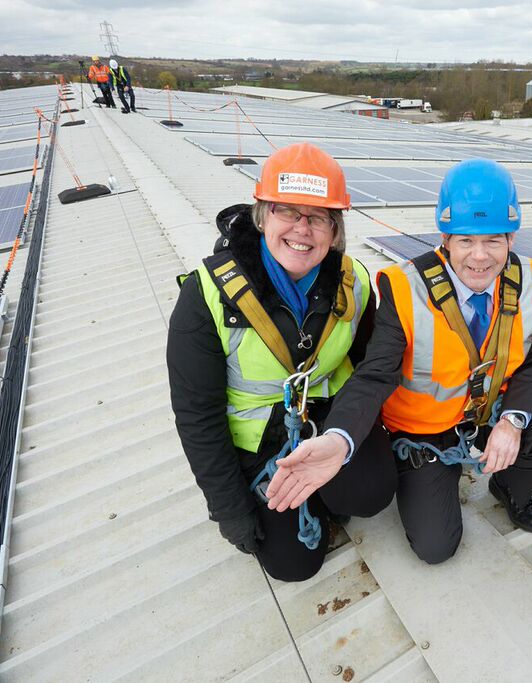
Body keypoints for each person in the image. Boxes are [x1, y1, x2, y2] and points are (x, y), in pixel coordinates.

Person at [265, 158, 532, 564]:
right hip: (427, 434)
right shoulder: (406, 290)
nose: (479, 257)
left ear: (511, 239)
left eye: (493, 240)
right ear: (445, 238)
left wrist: (513, 422)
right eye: (465, 240)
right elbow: (374, 375)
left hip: (489, 415)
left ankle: (509, 489)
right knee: (436, 547)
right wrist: (340, 439)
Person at [167, 143, 396, 581]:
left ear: (335, 230)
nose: (302, 229)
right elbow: (197, 417)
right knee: (294, 567)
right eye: (287, 212)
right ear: (262, 216)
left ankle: (326, 489)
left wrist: (346, 439)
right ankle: (289, 501)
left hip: (327, 424)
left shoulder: (356, 282)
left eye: (318, 217)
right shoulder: (206, 296)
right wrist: (230, 510)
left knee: (370, 493)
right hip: (256, 447)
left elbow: (371, 369)